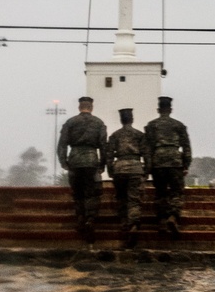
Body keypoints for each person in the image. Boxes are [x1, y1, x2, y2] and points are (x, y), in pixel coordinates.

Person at [56, 96, 107, 243]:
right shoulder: (98, 123)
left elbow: (62, 145)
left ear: (80, 107)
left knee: (78, 193)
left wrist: (64, 162)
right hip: (91, 160)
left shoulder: (70, 122)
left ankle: (80, 218)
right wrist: (102, 164)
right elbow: (103, 146)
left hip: (75, 160)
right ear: (91, 107)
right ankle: (90, 219)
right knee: (92, 193)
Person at [144, 96, 192, 237]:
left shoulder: (151, 126)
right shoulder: (179, 125)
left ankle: (162, 221)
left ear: (158, 110)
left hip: (158, 161)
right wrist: (186, 164)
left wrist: (148, 166)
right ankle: (173, 216)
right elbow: (186, 147)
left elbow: (147, 148)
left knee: (160, 193)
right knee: (177, 192)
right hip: (175, 161)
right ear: (170, 109)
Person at [105, 107, 150, 247]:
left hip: (119, 168)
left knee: (121, 198)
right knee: (134, 200)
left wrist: (110, 170)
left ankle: (124, 223)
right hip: (136, 168)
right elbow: (147, 154)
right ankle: (133, 225)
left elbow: (109, 155)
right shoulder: (139, 135)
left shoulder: (115, 135)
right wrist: (146, 171)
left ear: (121, 119)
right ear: (132, 119)